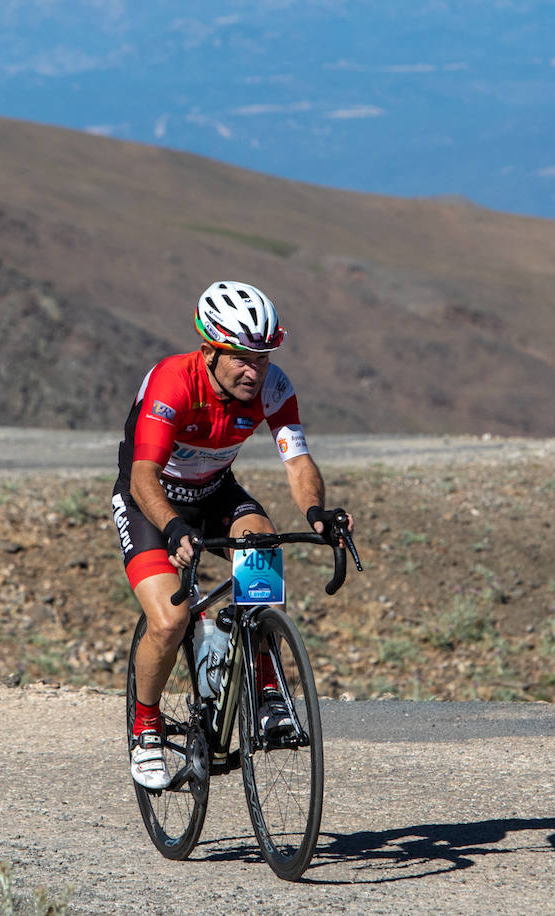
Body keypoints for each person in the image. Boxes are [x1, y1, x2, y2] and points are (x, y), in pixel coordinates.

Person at [112, 280, 354, 790]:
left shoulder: (273, 386)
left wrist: (316, 512)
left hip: (215, 491)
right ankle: (146, 724)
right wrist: (174, 526)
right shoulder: (172, 384)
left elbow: (298, 461)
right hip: (150, 498)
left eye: (264, 357)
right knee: (171, 618)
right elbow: (142, 476)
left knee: (261, 545)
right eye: (243, 358)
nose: (255, 370)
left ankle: (267, 690)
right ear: (209, 352)